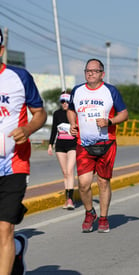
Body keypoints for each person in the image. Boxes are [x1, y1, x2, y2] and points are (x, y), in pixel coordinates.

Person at [0, 28, 47, 275]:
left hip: (13, 163)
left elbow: (40, 113)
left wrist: (27, 129)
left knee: (4, 228)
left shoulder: (19, 77)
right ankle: (17, 249)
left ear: (1, 50)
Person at [67, 58, 128, 233]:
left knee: (103, 181)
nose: (90, 73)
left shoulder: (110, 91)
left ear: (102, 73)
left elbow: (124, 114)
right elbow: (71, 110)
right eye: (88, 71)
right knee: (84, 184)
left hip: (106, 143)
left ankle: (103, 218)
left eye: (94, 71)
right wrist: (72, 123)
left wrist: (110, 121)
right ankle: (89, 212)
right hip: (83, 144)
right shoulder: (77, 91)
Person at [48, 92, 77, 210]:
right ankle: (67, 199)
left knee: (70, 171)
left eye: (67, 101)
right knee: (65, 172)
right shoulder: (57, 114)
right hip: (60, 145)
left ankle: (71, 199)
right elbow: (54, 129)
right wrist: (50, 144)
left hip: (73, 145)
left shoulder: (74, 114)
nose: (65, 104)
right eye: (62, 101)